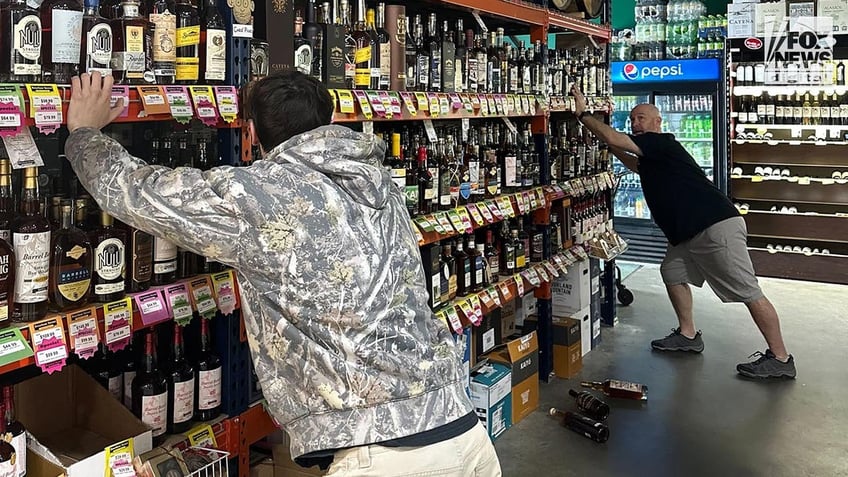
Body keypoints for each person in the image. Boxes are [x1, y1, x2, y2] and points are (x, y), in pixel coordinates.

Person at [64, 70, 502, 476]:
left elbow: (138, 193)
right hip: (463, 430)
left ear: (250, 134)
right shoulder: (379, 181)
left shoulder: (260, 194)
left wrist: (84, 133)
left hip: (386, 456)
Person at [571, 85, 795, 379]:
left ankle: (780, 358)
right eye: (633, 119)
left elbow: (615, 137)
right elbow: (635, 163)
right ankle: (688, 336)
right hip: (687, 233)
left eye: (641, 118)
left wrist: (583, 114)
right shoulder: (654, 157)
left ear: (657, 122)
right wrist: (609, 147)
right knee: (672, 271)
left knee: (747, 290)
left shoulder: (661, 142)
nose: (635, 123)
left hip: (714, 227)